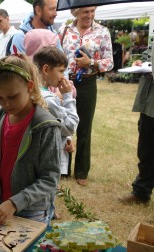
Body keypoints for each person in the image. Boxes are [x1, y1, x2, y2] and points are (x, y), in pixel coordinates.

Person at [0, 54, 61, 225]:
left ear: (30, 86)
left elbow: (50, 178)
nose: (6, 104)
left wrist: (13, 203)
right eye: (0, 98)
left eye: (12, 97)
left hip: (31, 211)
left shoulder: (45, 126)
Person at [59, 6, 113, 186]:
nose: (89, 15)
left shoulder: (102, 32)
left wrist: (91, 62)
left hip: (88, 83)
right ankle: (63, 169)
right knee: (63, 124)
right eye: (85, 11)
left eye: (92, 11)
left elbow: (109, 62)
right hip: (65, 82)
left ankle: (81, 170)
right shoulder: (64, 29)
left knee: (84, 126)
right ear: (75, 11)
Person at [25, 30, 79, 177]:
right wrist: (68, 96)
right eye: (61, 71)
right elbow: (70, 126)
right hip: (48, 162)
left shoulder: (31, 91)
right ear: (46, 69)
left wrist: (67, 138)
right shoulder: (48, 99)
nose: (63, 76)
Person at [119, 45, 154, 204]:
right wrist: (142, 62)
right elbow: (149, 53)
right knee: (145, 149)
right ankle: (141, 191)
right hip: (149, 104)